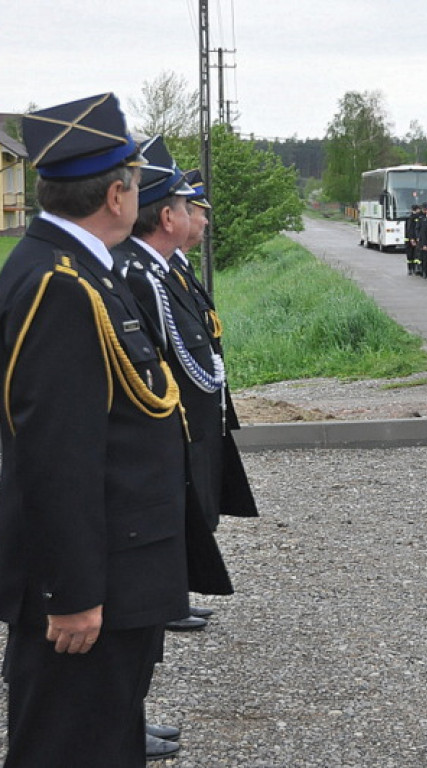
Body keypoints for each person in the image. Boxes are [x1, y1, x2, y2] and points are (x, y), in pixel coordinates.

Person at [0, 93, 194, 767]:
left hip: (121, 573)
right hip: (92, 591)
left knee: (104, 744)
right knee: (66, 748)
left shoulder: (81, 269)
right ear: (117, 195)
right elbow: (54, 454)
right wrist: (72, 594)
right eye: (137, 181)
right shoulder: (61, 284)